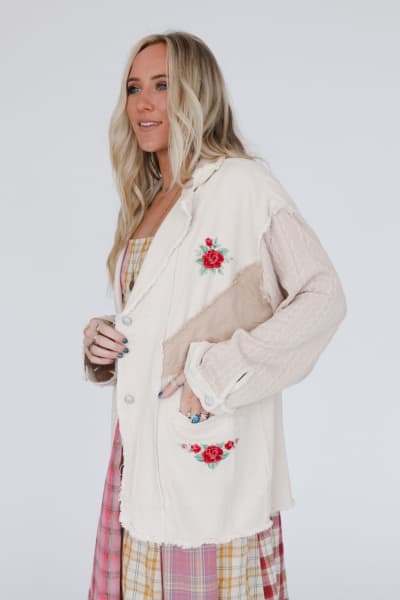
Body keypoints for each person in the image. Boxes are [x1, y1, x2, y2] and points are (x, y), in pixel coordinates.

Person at [83, 31, 347, 600]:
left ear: (197, 94)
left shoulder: (244, 185)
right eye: (133, 88)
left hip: (206, 461)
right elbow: (161, 311)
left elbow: (323, 297)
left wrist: (214, 375)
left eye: (162, 85)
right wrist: (105, 339)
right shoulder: (150, 199)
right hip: (138, 452)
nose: (142, 103)